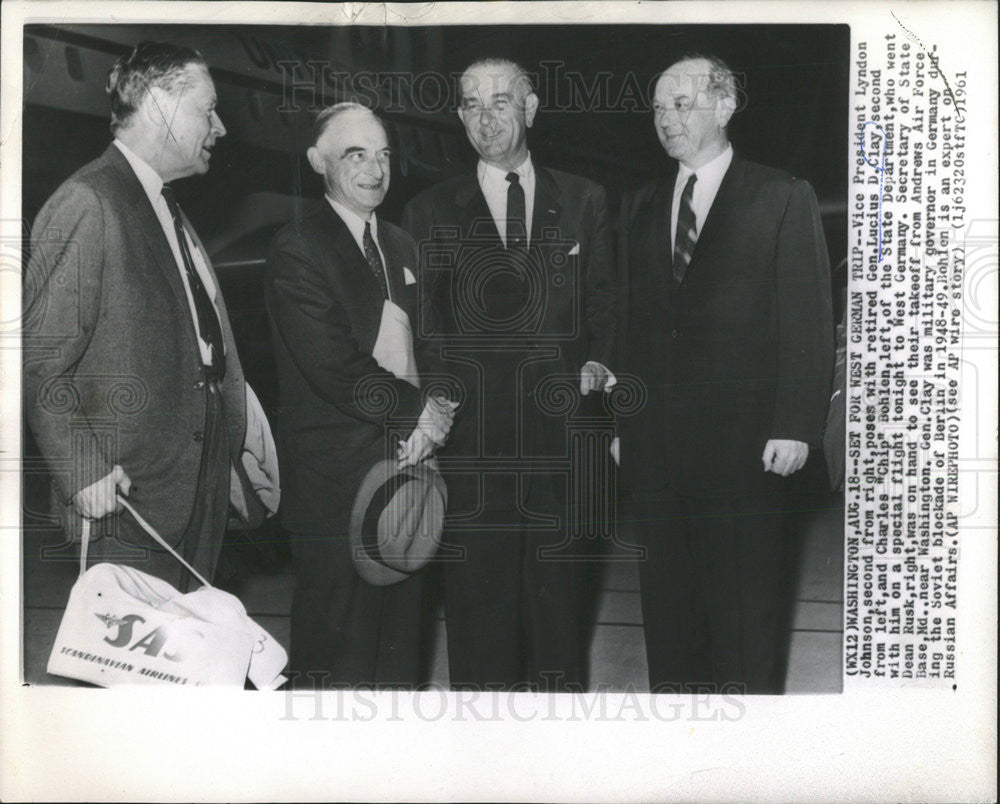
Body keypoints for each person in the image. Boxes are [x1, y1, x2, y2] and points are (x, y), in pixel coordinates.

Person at [617, 54, 834, 694]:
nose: (666, 120)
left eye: (680, 105)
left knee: (744, 622)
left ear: (724, 105)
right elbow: (633, 328)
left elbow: (807, 321)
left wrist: (796, 426)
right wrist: (624, 425)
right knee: (669, 623)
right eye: (658, 108)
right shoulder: (641, 202)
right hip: (657, 456)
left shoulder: (781, 195)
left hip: (747, 454)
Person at [23, 41, 272, 593]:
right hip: (125, 498)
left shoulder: (165, 203)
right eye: (208, 109)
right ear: (161, 105)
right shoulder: (90, 200)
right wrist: (82, 467)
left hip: (193, 487)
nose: (221, 126)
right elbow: (37, 361)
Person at [403, 59, 616, 691]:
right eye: (471, 104)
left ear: (531, 108)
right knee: (477, 615)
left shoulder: (583, 199)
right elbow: (426, 328)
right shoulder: (429, 210)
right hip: (474, 447)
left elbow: (605, 302)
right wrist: (439, 410)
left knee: (560, 615)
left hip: (562, 446)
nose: (486, 116)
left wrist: (601, 361)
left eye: (500, 101)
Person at [265, 103, 454, 689]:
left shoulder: (401, 244)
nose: (375, 168)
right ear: (317, 161)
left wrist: (440, 408)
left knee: (400, 653)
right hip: (335, 490)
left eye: (383, 154)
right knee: (337, 660)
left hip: (410, 477)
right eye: (355, 154)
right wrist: (418, 411)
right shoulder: (297, 248)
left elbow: (439, 342)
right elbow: (333, 367)